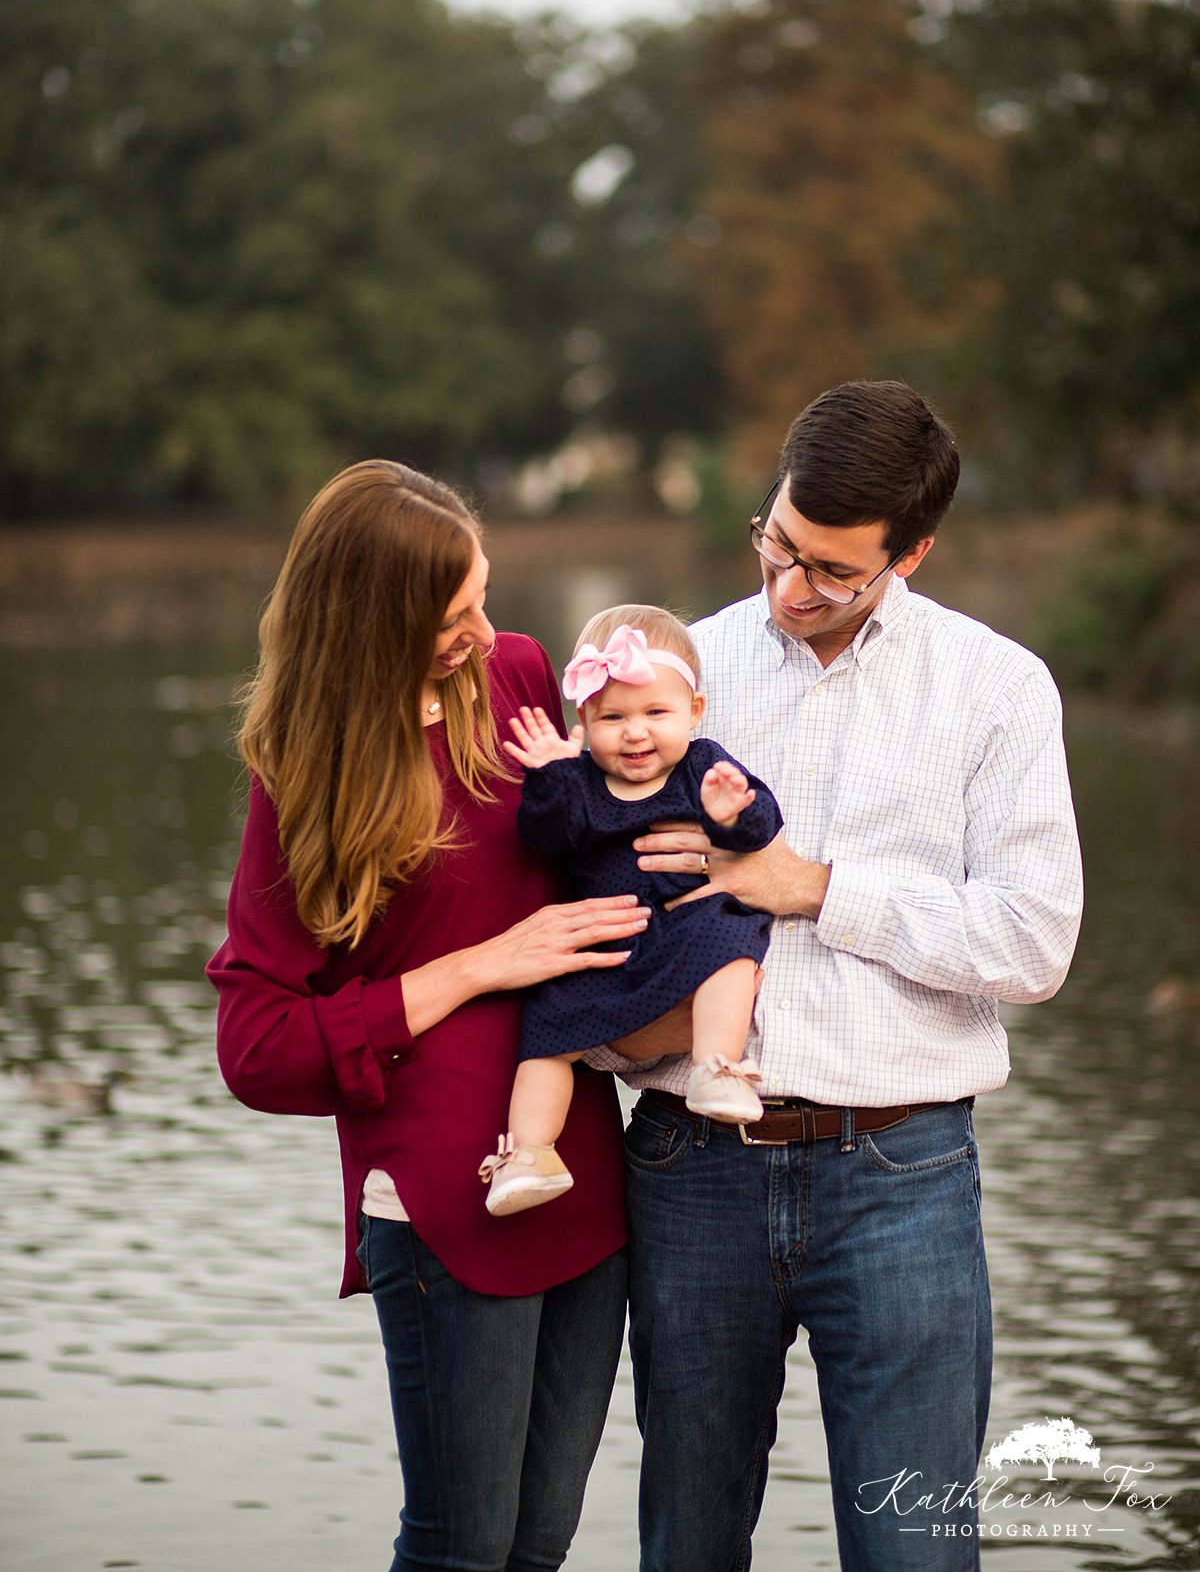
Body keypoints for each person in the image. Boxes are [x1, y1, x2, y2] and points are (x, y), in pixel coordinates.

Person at [589, 382, 1085, 1572]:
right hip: (687, 1165)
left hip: (903, 1171)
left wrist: (815, 889)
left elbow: (1033, 943)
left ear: (910, 553)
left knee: (915, 1555)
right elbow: (589, 899)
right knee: (686, 1548)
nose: (789, 589)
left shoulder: (998, 689)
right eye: (778, 544)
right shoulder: (676, 672)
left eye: (831, 572)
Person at [206, 460, 645, 1572]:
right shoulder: (302, 772)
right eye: (453, 617)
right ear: (372, 619)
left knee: (541, 1542)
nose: (485, 632)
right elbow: (256, 1049)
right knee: (463, 1547)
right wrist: (477, 966)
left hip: (579, 1162)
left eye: (484, 597)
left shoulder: (522, 676)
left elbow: (598, 843)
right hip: (442, 1197)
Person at [480, 607, 783, 1216]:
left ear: (694, 713)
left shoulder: (702, 766)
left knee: (732, 938)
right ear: (584, 721)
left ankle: (716, 1065)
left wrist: (730, 816)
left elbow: (761, 825)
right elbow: (548, 837)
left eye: (655, 713)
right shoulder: (583, 782)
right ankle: (528, 1154)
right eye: (612, 717)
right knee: (546, 1024)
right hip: (606, 947)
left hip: (684, 927)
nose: (635, 733)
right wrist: (550, 778)